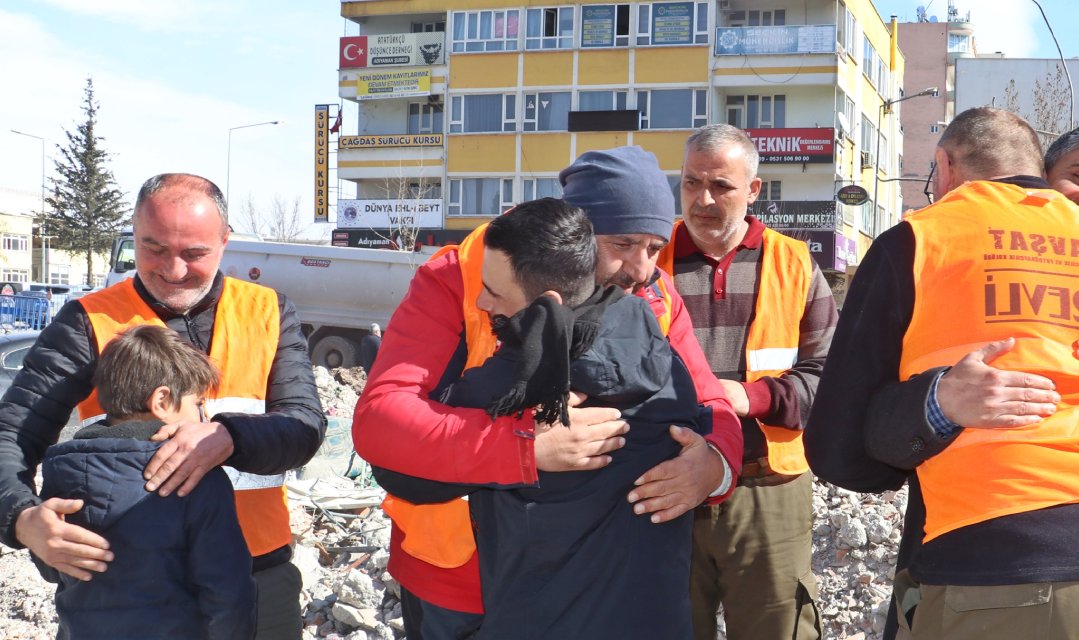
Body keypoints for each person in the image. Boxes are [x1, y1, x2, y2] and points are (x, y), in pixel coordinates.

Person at [807, 108, 1079, 640]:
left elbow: (839, 451)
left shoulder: (921, 240)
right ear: (1042, 175)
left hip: (1006, 552)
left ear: (945, 166)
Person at [352, 145, 743, 640]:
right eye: (623, 243)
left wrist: (712, 465)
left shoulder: (652, 296)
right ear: (575, 229)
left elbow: (712, 405)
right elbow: (382, 420)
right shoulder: (459, 277)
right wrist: (523, 448)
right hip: (457, 576)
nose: (641, 267)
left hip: (593, 588)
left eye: (654, 246)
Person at [0, 173, 326, 640]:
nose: (173, 271)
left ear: (225, 241)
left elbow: (304, 426)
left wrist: (229, 437)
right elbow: (11, 435)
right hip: (127, 589)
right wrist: (22, 519)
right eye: (154, 249)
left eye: (194, 254)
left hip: (258, 577)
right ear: (133, 235)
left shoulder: (269, 312)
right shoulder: (87, 322)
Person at [655, 124, 835, 640]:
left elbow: (829, 380)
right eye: (691, 183)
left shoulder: (795, 264)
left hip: (767, 492)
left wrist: (750, 397)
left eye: (721, 186)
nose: (702, 200)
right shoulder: (648, 260)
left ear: (753, 190)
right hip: (665, 487)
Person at [36, 324, 256, 640]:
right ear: (162, 401)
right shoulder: (197, 477)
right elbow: (228, 592)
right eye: (197, 405)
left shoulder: (62, 468)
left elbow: (52, 566)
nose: (203, 418)